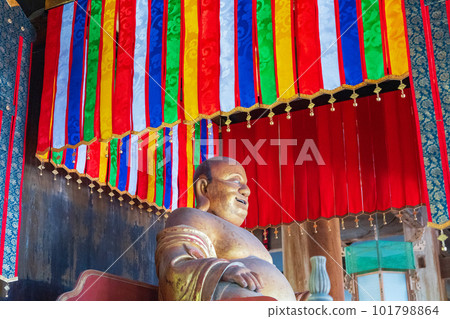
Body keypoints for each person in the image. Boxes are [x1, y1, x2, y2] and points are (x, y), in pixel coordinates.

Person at [155, 156, 296, 301]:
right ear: (203, 188)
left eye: (245, 184)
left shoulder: (252, 237)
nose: (246, 191)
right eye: (236, 181)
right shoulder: (192, 216)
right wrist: (222, 270)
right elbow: (175, 267)